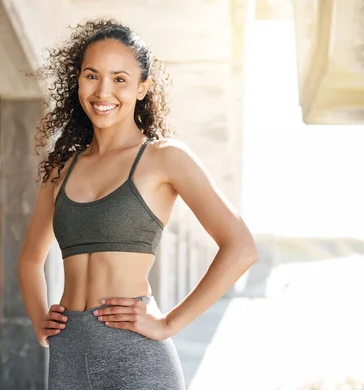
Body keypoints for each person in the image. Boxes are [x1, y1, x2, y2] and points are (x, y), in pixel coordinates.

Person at [17, 19, 258, 390]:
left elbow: (241, 247)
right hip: (68, 359)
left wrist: (168, 324)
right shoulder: (60, 173)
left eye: (119, 79)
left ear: (142, 87)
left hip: (136, 359)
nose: (103, 91)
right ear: (77, 80)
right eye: (91, 75)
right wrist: (39, 320)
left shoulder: (165, 158)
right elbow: (31, 259)